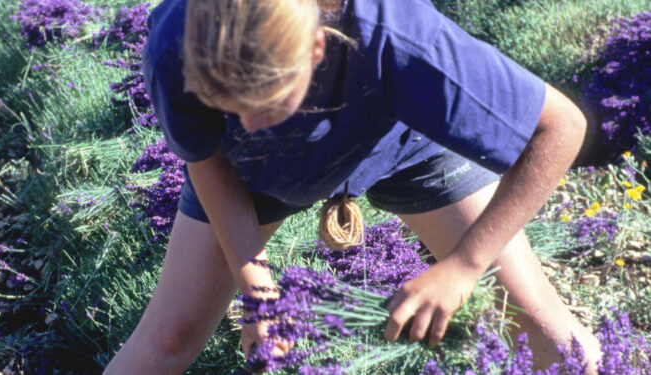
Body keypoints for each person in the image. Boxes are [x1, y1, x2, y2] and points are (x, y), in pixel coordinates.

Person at [104, 0, 602, 373]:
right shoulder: (177, 47)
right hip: (251, 172)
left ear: (316, 48)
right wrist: (257, 289)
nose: (249, 124)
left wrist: (465, 265)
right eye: (229, 104)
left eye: (269, 101)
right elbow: (208, 154)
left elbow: (560, 128)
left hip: (409, 141)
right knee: (166, 339)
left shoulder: (398, 34)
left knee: (547, 334)